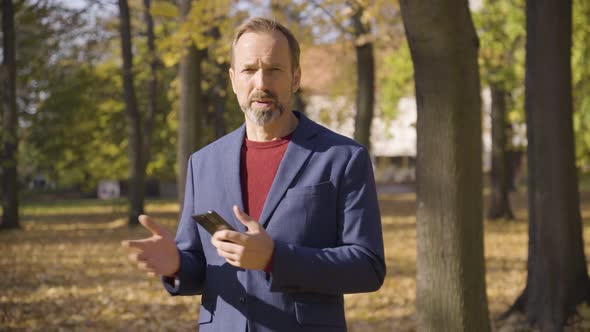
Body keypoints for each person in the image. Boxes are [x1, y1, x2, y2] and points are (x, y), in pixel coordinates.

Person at [122, 17, 386, 332]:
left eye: (274, 69)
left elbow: (367, 266)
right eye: (249, 70)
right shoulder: (203, 163)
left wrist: (275, 258)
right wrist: (176, 265)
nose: (261, 83)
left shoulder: (343, 157)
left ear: (295, 78)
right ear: (233, 79)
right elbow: (200, 266)